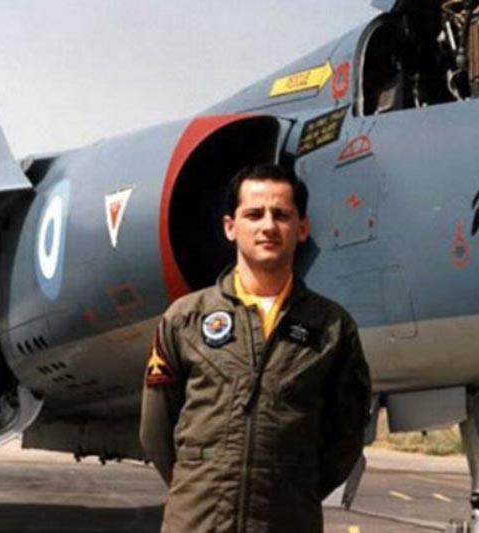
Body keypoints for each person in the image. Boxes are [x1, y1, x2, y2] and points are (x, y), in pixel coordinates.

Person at [139, 164, 372, 532]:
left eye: (281, 215)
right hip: (197, 523)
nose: (268, 226)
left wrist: (290, 490)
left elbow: (345, 441)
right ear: (230, 227)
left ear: (302, 228)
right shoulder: (185, 319)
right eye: (254, 214)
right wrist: (201, 483)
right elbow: (156, 433)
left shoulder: (331, 327)